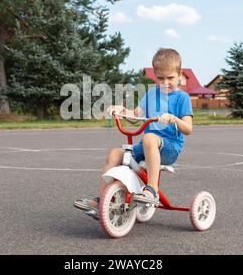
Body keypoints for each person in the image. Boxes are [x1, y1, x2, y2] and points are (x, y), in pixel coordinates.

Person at [73, 48, 193, 219]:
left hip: (169, 148)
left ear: (180, 74)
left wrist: (174, 119)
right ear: (154, 75)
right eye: (160, 78)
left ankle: (151, 190)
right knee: (116, 153)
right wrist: (121, 109)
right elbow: (136, 116)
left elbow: (188, 129)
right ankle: (103, 201)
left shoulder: (182, 98)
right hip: (147, 145)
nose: (165, 82)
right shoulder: (152, 94)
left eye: (170, 78)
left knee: (149, 137)